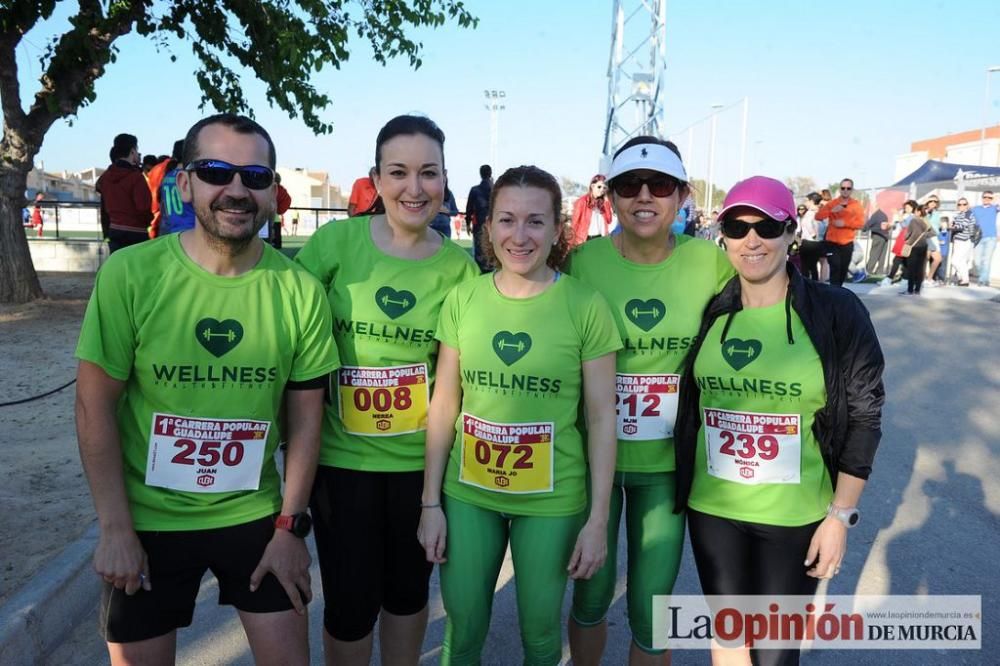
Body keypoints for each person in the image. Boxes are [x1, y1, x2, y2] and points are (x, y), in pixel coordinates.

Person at [75, 113, 340, 665]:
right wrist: (115, 529)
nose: (236, 190)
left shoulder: (300, 291)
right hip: (149, 520)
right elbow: (94, 404)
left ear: (274, 193)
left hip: (255, 516)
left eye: (255, 177)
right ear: (185, 182)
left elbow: (308, 421)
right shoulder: (130, 275)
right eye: (217, 171)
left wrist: (291, 528)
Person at [674, 175, 885, 665]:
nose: (752, 240)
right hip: (714, 509)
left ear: (792, 231)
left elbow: (865, 415)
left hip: (795, 518)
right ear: (721, 234)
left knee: (773, 654)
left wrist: (840, 516)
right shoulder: (712, 310)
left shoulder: (835, 312)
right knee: (729, 640)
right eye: (737, 225)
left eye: (767, 226)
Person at [418, 165, 621, 665]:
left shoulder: (586, 305)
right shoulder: (463, 298)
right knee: (463, 631)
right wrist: (429, 504)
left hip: (552, 500)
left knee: (540, 635)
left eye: (536, 222)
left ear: (557, 230)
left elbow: (600, 418)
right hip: (469, 495)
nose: (520, 235)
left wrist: (598, 520)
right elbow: (444, 403)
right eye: (507, 220)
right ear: (488, 228)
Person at [295, 115, 479, 666]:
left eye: (429, 173)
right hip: (340, 465)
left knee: (406, 595)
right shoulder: (334, 243)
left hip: (418, 468)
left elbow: (464, 378)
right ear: (375, 179)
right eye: (398, 173)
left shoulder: (460, 270)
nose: (414, 188)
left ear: (445, 180)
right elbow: (286, 331)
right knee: (350, 604)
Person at [565, 137, 733, 664]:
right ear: (609, 197)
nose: (644, 196)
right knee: (590, 597)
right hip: (593, 460)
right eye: (628, 185)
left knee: (652, 611)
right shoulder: (582, 262)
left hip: (666, 467)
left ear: (682, 195)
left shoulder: (710, 263)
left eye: (659, 185)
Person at [96, 133, 153, 253]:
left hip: (114, 231)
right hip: (137, 233)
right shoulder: (136, 177)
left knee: (119, 269)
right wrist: (148, 220)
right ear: (132, 152)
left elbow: (103, 201)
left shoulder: (106, 177)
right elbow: (143, 208)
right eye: (137, 150)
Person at [814, 178, 864, 286]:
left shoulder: (856, 205)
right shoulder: (832, 203)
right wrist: (831, 210)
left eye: (848, 188)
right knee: (835, 267)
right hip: (832, 242)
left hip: (847, 243)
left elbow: (860, 224)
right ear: (840, 189)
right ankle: (834, 294)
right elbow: (818, 216)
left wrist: (845, 223)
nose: (845, 190)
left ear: (852, 190)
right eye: (843, 188)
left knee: (843, 270)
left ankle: (838, 291)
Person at [465, 164, 493, 272]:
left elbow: (469, 209)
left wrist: (468, 224)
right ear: (490, 174)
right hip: (494, 224)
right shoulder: (495, 190)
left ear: (480, 174)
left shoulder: (475, 190)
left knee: (479, 251)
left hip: (479, 224)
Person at [571, 174, 613, 245]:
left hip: (600, 238)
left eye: (604, 187)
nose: (602, 190)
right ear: (592, 186)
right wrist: (571, 243)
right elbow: (574, 223)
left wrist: (606, 202)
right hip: (585, 239)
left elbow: (609, 220)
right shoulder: (582, 201)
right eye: (599, 187)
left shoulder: (603, 203)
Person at [902, 205, 933, 296]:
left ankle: (910, 289)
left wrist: (907, 238)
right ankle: (917, 289)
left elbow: (908, 234)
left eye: (915, 211)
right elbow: (933, 233)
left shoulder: (913, 221)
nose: (914, 213)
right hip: (923, 246)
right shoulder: (926, 222)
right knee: (920, 269)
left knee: (911, 269)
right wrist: (923, 236)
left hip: (913, 246)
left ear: (919, 212)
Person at [971, 190, 998, 286]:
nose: (987, 199)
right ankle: (984, 278)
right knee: (977, 261)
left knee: (986, 260)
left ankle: (983, 280)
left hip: (991, 238)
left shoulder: (995, 208)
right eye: (985, 197)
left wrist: (996, 199)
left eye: (989, 197)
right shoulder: (975, 209)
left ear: (992, 199)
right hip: (978, 238)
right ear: (982, 198)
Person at [950, 197, 976, 286]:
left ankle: (963, 279)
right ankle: (964, 280)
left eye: (964, 204)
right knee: (961, 262)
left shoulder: (968, 214)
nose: (962, 206)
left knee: (954, 261)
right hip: (958, 240)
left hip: (965, 241)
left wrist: (952, 227)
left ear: (967, 205)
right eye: (959, 204)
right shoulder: (959, 215)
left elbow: (962, 226)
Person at [797, 193, 823, 281]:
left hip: (808, 242)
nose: (805, 202)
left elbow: (809, 224)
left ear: (811, 201)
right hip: (817, 243)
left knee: (805, 267)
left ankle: (806, 287)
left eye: (807, 200)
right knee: (813, 267)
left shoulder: (810, 213)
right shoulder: (820, 211)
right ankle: (815, 286)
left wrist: (813, 234)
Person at [862, 207, 890, 277]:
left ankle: (868, 271)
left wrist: (863, 229)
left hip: (878, 236)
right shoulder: (883, 214)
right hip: (885, 237)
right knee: (882, 256)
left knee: (874, 254)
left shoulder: (876, 215)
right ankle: (879, 272)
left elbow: (868, 224)